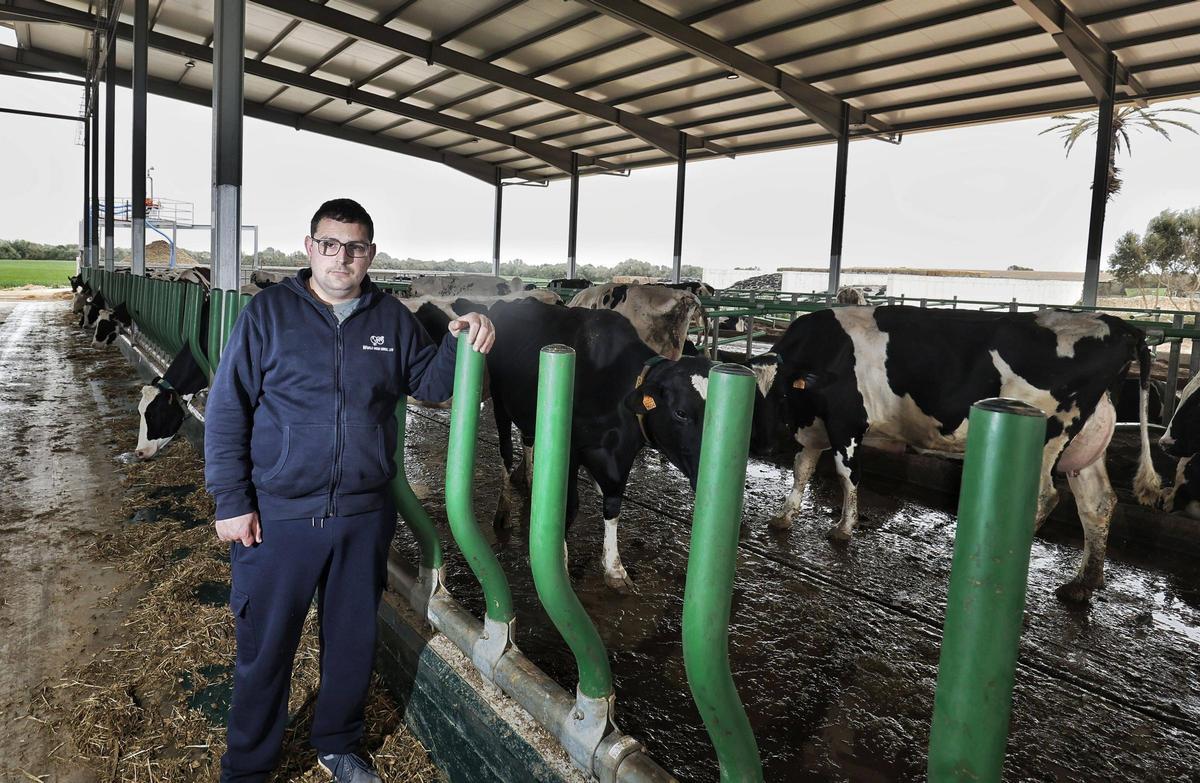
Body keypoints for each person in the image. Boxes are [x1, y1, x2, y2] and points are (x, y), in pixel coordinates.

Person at [205, 198, 494, 782]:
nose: (342, 258)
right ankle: (248, 767)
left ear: (371, 254)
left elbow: (431, 388)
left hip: (363, 514)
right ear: (310, 246)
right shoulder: (268, 314)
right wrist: (231, 501)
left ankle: (338, 743)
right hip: (278, 515)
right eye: (330, 245)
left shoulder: (391, 319)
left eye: (355, 247)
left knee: (352, 644)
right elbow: (227, 407)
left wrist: (465, 341)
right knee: (265, 649)